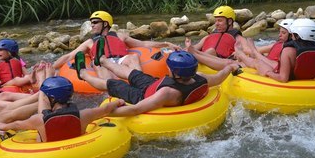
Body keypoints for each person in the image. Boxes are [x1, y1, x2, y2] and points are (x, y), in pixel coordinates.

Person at [76, 51, 239, 117]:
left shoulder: (168, 93)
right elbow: (219, 77)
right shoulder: (199, 77)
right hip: (154, 84)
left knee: (111, 83)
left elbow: (137, 109)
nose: (167, 67)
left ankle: (82, 73)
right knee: (132, 73)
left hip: (142, 96)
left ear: (175, 72)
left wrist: (104, 113)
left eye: (169, 67)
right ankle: (103, 60)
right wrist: (230, 67)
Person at [53, 11, 179, 79]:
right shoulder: (90, 42)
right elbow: (68, 56)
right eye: (91, 23)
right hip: (104, 63)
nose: (92, 25)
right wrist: (52, 67)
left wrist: (165, 43)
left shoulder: (119, 35)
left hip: (121, 60)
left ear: (106, 24)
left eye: (95, 22)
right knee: (98, 63)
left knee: (133, 57)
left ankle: (141, 82)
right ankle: (112, 92)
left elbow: (143, 43)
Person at [0, 76, 125, 142]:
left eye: (45, 96)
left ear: (51, 99)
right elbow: (105, 109)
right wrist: (118, 102)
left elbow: (17, 124)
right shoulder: (84, 115)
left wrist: (2, 125)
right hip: (78, 150)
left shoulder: (38, 120)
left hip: (47, 155)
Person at [257, 18, 315, 82]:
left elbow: (283, 78)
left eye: (292, 34)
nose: (291, 36)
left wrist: (268, 72)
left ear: (297, 35)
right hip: (311, 89)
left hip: (292, 85)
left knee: (260, 63)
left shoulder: (287, 51)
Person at [185, 5, 246, 71]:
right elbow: (196, 47)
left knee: (211, 51)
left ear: (229, 22)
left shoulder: (237, 37)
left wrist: (239, 52)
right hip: (204, 58)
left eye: (220, 21)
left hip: (221, 62)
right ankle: (191, 59)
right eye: (216, 21)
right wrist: (188, 47)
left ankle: (193, 60)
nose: (216, 24)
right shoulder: (209, 36)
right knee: (193, 50)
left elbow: (247, 50)